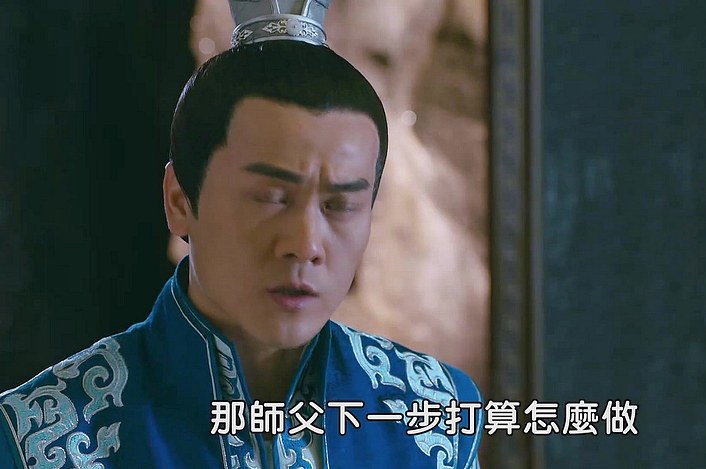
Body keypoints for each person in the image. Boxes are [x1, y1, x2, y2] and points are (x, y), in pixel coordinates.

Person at [0, 1, 483, 467]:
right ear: (180, 201)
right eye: (270, 198)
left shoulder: (434, 417)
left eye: (340, 205)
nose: (305, 244)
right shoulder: (41, 439)